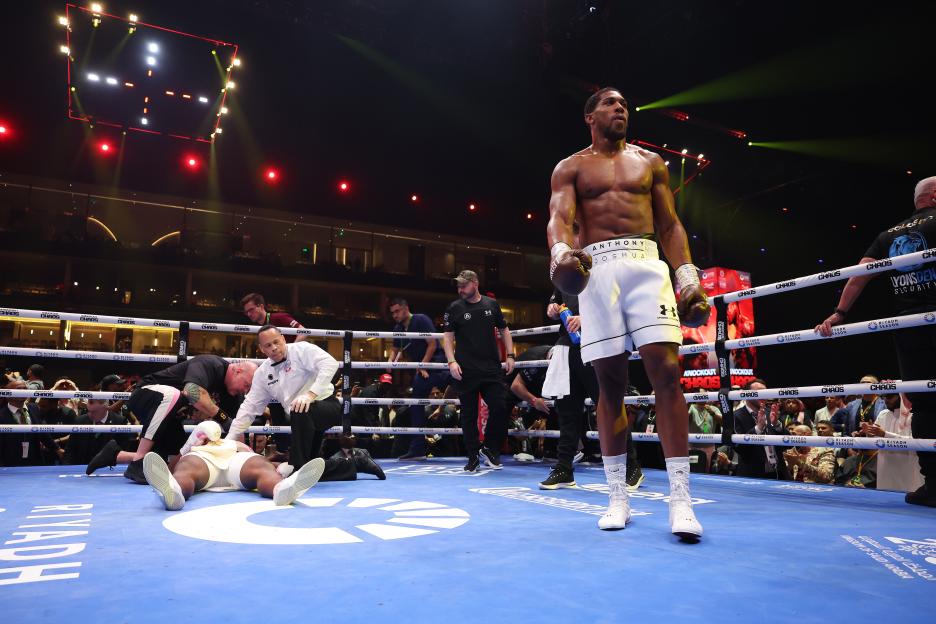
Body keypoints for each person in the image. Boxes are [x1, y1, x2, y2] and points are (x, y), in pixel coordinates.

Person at [545, 87, 709, 538]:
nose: (622, 109)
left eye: (625, 105)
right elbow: (559, 218)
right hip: (596, 268)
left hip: (645, 263)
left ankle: (681, 500)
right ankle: (618, 496)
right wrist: (561, 253)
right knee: (610, 384)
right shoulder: (571, 166)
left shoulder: (649, 162)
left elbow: (671, 224)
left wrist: (688, 277)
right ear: (590, 116)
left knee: (667, 371)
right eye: (611, 104)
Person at [816, 175, 936, 506]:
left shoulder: (889, 235)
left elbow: (859, 275)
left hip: (909, 328)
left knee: (925, 404)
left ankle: (933, 484)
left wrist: (839, 313)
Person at [226, 325, 384, 480]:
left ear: (283, 339)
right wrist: (228, 441)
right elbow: (249, 407)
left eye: (276, 342)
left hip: (326, 406)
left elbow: (330, 363)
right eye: (268, 345)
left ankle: (296, 467)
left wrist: (310, 394)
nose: (274, 347)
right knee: (310, 468)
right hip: (302, 421)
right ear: (262, 349)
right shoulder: (263, 373)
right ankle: (356, 462)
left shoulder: (301, 349)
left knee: (299, 409)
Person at [85, 355, 257, 483]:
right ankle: (138, 461)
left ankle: (115, 454)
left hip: (168, 418)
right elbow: (191, 391)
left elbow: (235, 429)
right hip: (147, 395)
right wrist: (222, 418)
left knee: (177, 463)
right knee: (173, 394)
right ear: (237, 370)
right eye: (247, 384)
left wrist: (243, 460)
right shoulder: (211, 364)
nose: (246, 391)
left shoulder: (232, 394)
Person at [540, 289, 643, 490]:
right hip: (568, 347)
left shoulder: (600, 272)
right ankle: (564, 469)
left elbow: (617, 308)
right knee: (567, 412)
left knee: (610, 409)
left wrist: (585, 319)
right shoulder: (564, 278)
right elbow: (554, 305)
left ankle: (631, 467)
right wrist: (552, 309)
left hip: (597, 346)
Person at [142, 421, 326, 510]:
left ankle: (282, 489)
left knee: (260, 465)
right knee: (186, 468)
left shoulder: (234, 444)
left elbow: (261, 460)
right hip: (204, 462)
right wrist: (191, 443)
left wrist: (279, 468)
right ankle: (174, 492)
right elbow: (175, 466)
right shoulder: (193, 449)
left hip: (236, 460)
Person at [443, 269, 515, 472]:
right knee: (468, 414)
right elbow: (447, 337)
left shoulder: (491, 304)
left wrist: (510, 355)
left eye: (463, 286)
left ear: (475, 283)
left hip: (491, 368)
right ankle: (472, 455)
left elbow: (504, 330)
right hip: (465, 370)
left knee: (500, 407)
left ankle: (490, 449)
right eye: (458, 286)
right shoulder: (454, 308)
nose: (460, 290)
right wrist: (451, 362)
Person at [388, 297, 450, 460]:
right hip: (421, 370)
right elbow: (395, 348)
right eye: (392, 312)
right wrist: (390, 361)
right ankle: (418, 449)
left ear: (405, 308)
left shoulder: (421, 319)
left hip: (438, 364)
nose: (395, 315)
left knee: (462, 389)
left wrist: (422, 365)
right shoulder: (398, 328)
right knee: (416, 405)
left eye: (397, 311)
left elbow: (432, 344)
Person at [862, 393, 924, 493]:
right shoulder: (883, 414)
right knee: (885, 499)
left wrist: (884, 434)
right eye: (884, 397)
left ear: (901, 397)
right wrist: (870, 433)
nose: (886, 400)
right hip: (886, 465)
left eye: (890, 397)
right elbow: (876, 439)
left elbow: (915, 441)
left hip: (908, 466)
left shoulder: (914, 415)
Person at [731, 379, 790, 480]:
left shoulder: (770, 413)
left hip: (778, 473)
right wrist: (757, 428)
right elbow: (740, 448)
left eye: (765, 392)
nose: (763, 395)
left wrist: (777, 425)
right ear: (746, 395)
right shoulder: (736, 416)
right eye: (759, 392)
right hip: (753, 475)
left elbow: (787, 444)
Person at [65, 397, 132, 465]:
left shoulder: (119, 421)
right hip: (82, 466)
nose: (90, 415)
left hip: (110, 468)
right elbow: (70, 449)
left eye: (94, 412)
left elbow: (123, 449)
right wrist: (67, 469)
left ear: (105, 407)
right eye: (89, 411)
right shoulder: (80, 421)